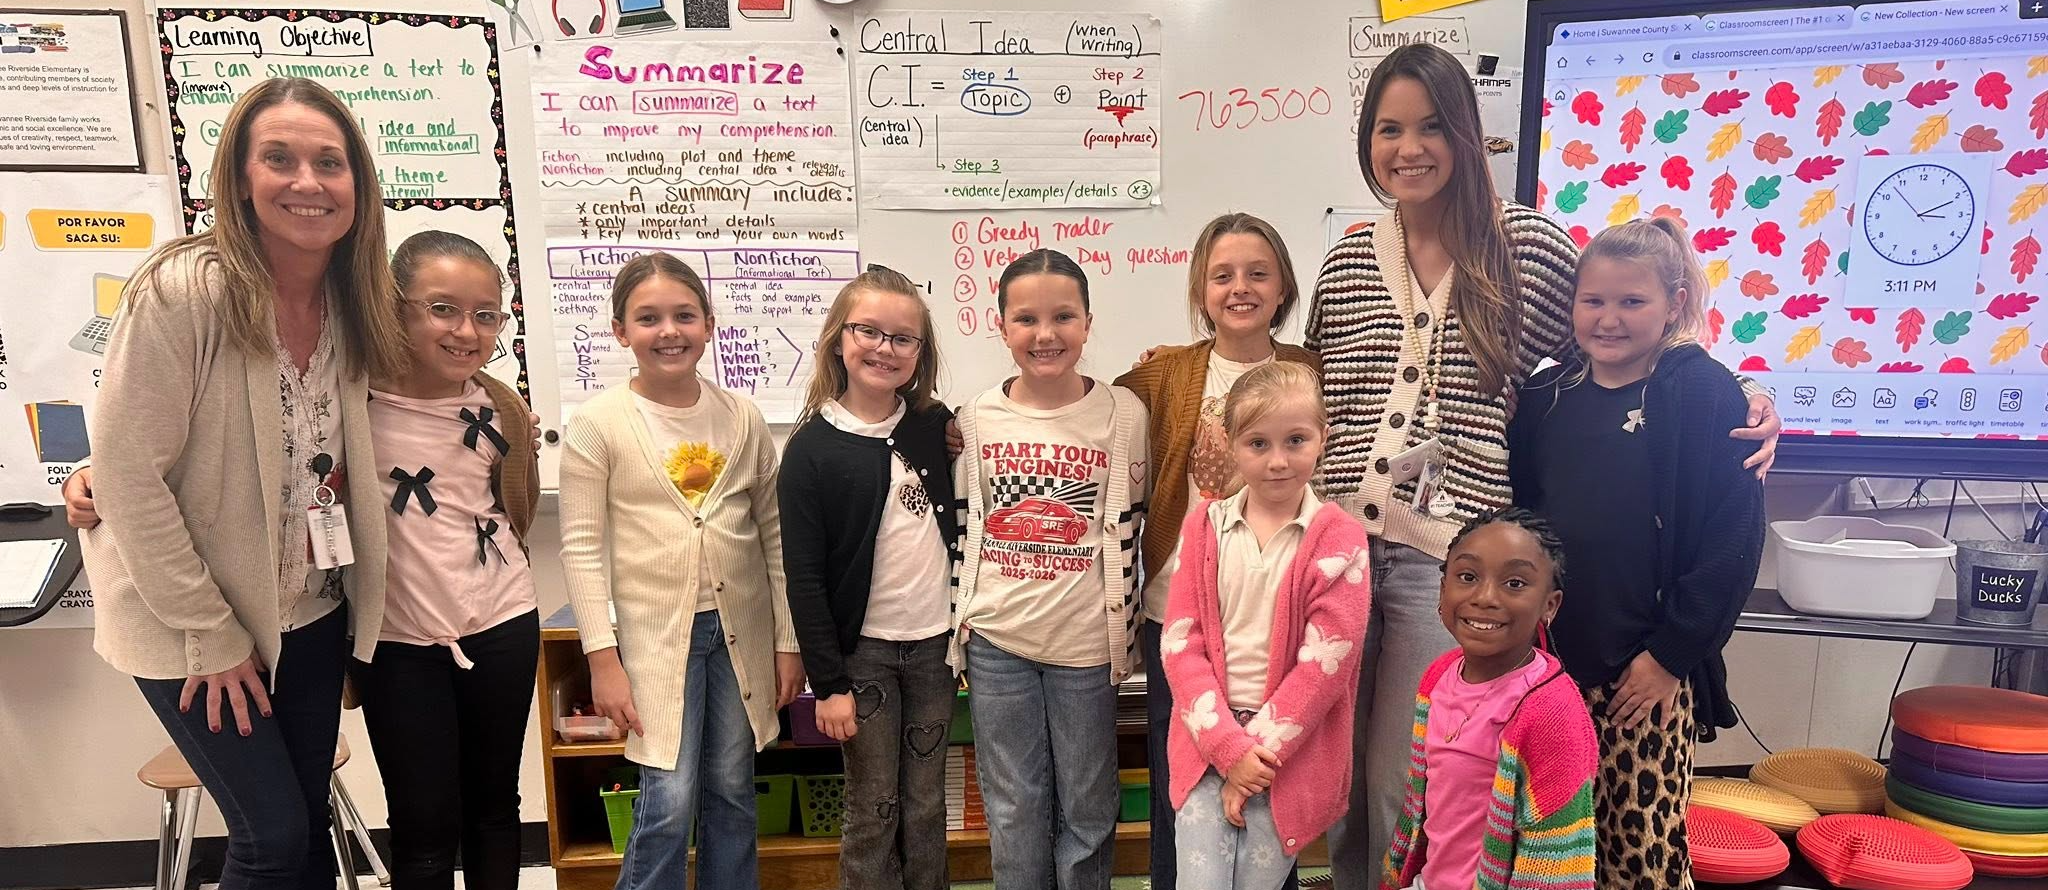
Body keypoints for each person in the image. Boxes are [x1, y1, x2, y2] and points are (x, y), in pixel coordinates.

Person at [1308, 43, 1781, 884]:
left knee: (1413, 783)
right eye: (1387, 129)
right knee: (1339, 776)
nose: (1407, 148)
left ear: (1464, 133)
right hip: (1338, 550)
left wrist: (1742, 396)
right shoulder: (1347, 258)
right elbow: (1313, 395)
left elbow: (1619, 347)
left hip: (1447, 558)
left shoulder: (1527, 245)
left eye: (1428, 126)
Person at [75, 76, 407, 890]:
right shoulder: (185, 292)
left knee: (306, 826)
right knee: (271, 837)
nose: (307, 181)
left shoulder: (355, 302)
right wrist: (211, 634)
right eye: (279, 159)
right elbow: (127, 473)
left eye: (330, 162)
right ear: (240, 176)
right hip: (195, 625)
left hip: (312, 612)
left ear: (357, 186)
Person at [1508, 219, 1766, 890]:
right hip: (1549, 666)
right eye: (1593, 301)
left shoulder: (1700, 394)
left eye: (1632, 302)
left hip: (1642, 678)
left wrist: (1670, 657)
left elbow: (1732, 541)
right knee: (1547, 851)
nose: (1609, 319)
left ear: (1674, 304)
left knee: (1639, 857)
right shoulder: (1545, 397)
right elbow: (1524, 517)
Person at [558, 251, 804, 890]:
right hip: (653, 641)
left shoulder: (741, 417)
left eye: (684, 315)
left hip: (737, 635)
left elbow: (773, 538)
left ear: (709, 323)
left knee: (731, 789)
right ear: (620, 331)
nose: (669, 331)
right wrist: (602, 659)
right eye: (648, 318)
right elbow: (581, 548)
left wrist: (786, 642)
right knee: (668, 799)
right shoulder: (598, 424)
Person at [1113, 213, 1319, 890]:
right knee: (1186, 785)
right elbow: (1084, 416)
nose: (1240, 287)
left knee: (1267, 783)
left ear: (1284, 284)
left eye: (1258, 272)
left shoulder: (1310, 372)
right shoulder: (1164, 376)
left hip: (1275, 618)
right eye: (1222, 274)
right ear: (1201, 289)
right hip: (1180, 621)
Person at [948, 249, 1149, 890]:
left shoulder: (1124, 416)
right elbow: (963, 525)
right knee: (1013, 808)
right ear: (1001, 326)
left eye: (1063, 316)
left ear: (1088, 323)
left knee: (1089, 807)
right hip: (998, 641)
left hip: (1086, 645)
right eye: (1026, 319)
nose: (1046, 334)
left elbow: (1135, 519)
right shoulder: (975, 419)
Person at [350, 231, 540, 890]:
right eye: (442, 309)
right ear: (396, 308)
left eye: (486, 314)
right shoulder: (349, 404)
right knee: (422, 827)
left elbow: (513, 507)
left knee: (494, 808)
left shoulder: (501, 407)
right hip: (399, 644)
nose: (467, 330)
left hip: (503, 624)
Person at [781, 266, 959, 890]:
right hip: (864, 660)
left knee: (927, 804)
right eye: (869, 331)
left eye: (903, 338)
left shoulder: (934, 429)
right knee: (872, 805)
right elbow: (802, 577)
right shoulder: (810, 450)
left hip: (936, 648)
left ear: (920, 353)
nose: (885, 348)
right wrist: (827, 683)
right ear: (838, 338)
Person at [1160, 361, 1370, 890]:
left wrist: (1254, 761)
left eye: (1295, 440)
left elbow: (1326, 667)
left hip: (1286, 757)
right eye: (1258, 443)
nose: (1278, 461)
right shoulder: (1203, 528)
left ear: (1323, 438)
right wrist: (1230, 753)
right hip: (1208, 742)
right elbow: (1182, 644)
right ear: (1230, 443)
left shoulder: (1341, 539)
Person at [1378, 509, 1597, 890]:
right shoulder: (1439, 676)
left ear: (1550, 605)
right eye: (1467, 577)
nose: (1485, 597)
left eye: (1514, 583)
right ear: (1442, 589)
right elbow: (1424, 810)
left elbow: (1557, 855)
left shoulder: (1551, 711)